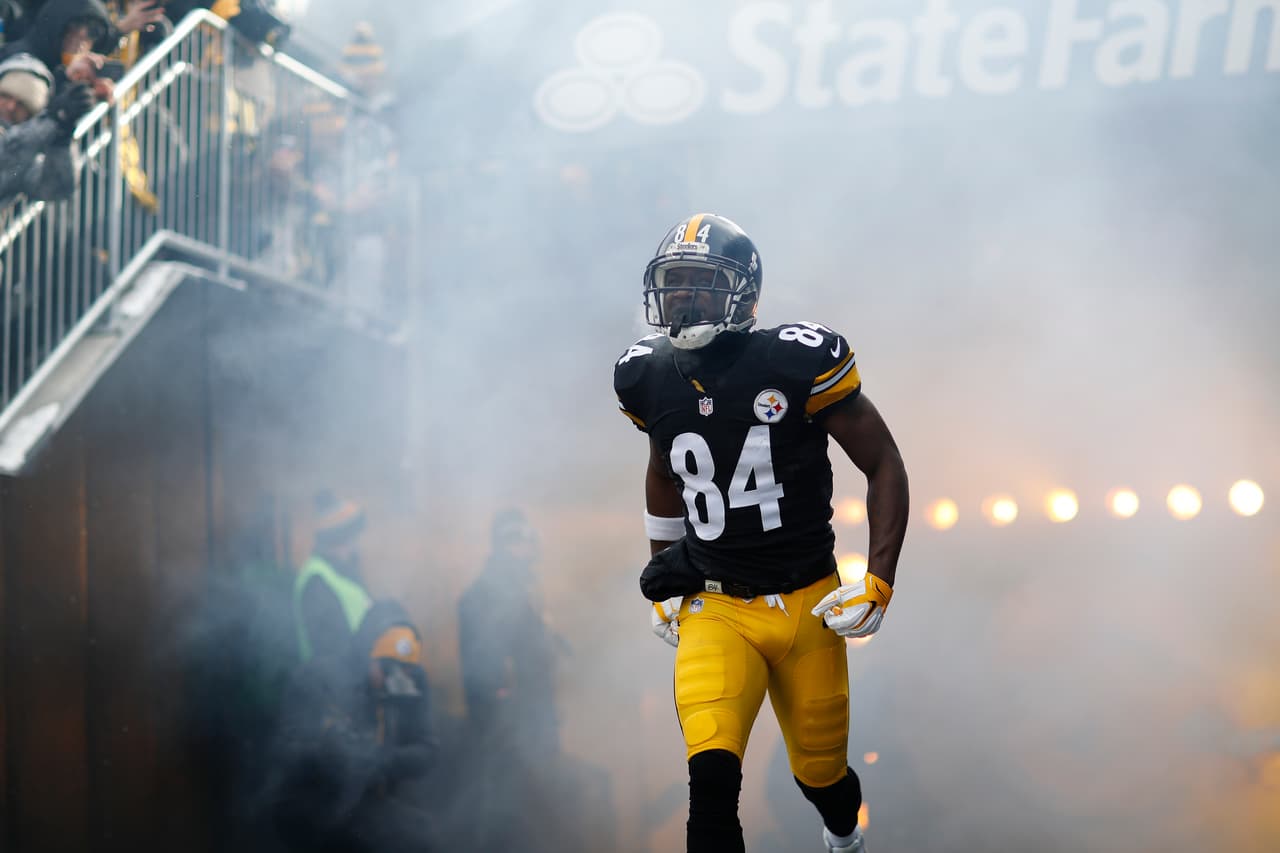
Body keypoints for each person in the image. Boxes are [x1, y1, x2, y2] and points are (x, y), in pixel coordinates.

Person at [613, 213, 909, 853]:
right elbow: (664, 464)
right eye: (675, 282)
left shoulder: (795, 360)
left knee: (821, 776)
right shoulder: (646, 373)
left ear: (743, 294)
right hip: (715, 604)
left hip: (809, 603)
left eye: (699, 282)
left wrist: (878, 580)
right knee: (711, 785)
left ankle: (843, 836)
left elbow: (884, 464)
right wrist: (664, 567)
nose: (682, 297)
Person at [294, 490, 373, 664]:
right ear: (342, 538)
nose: (358, 543)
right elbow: (331, 649)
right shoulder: (317, 581)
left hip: (354, 681)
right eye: (355, 535)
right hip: (334, 686)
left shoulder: (341, 572)